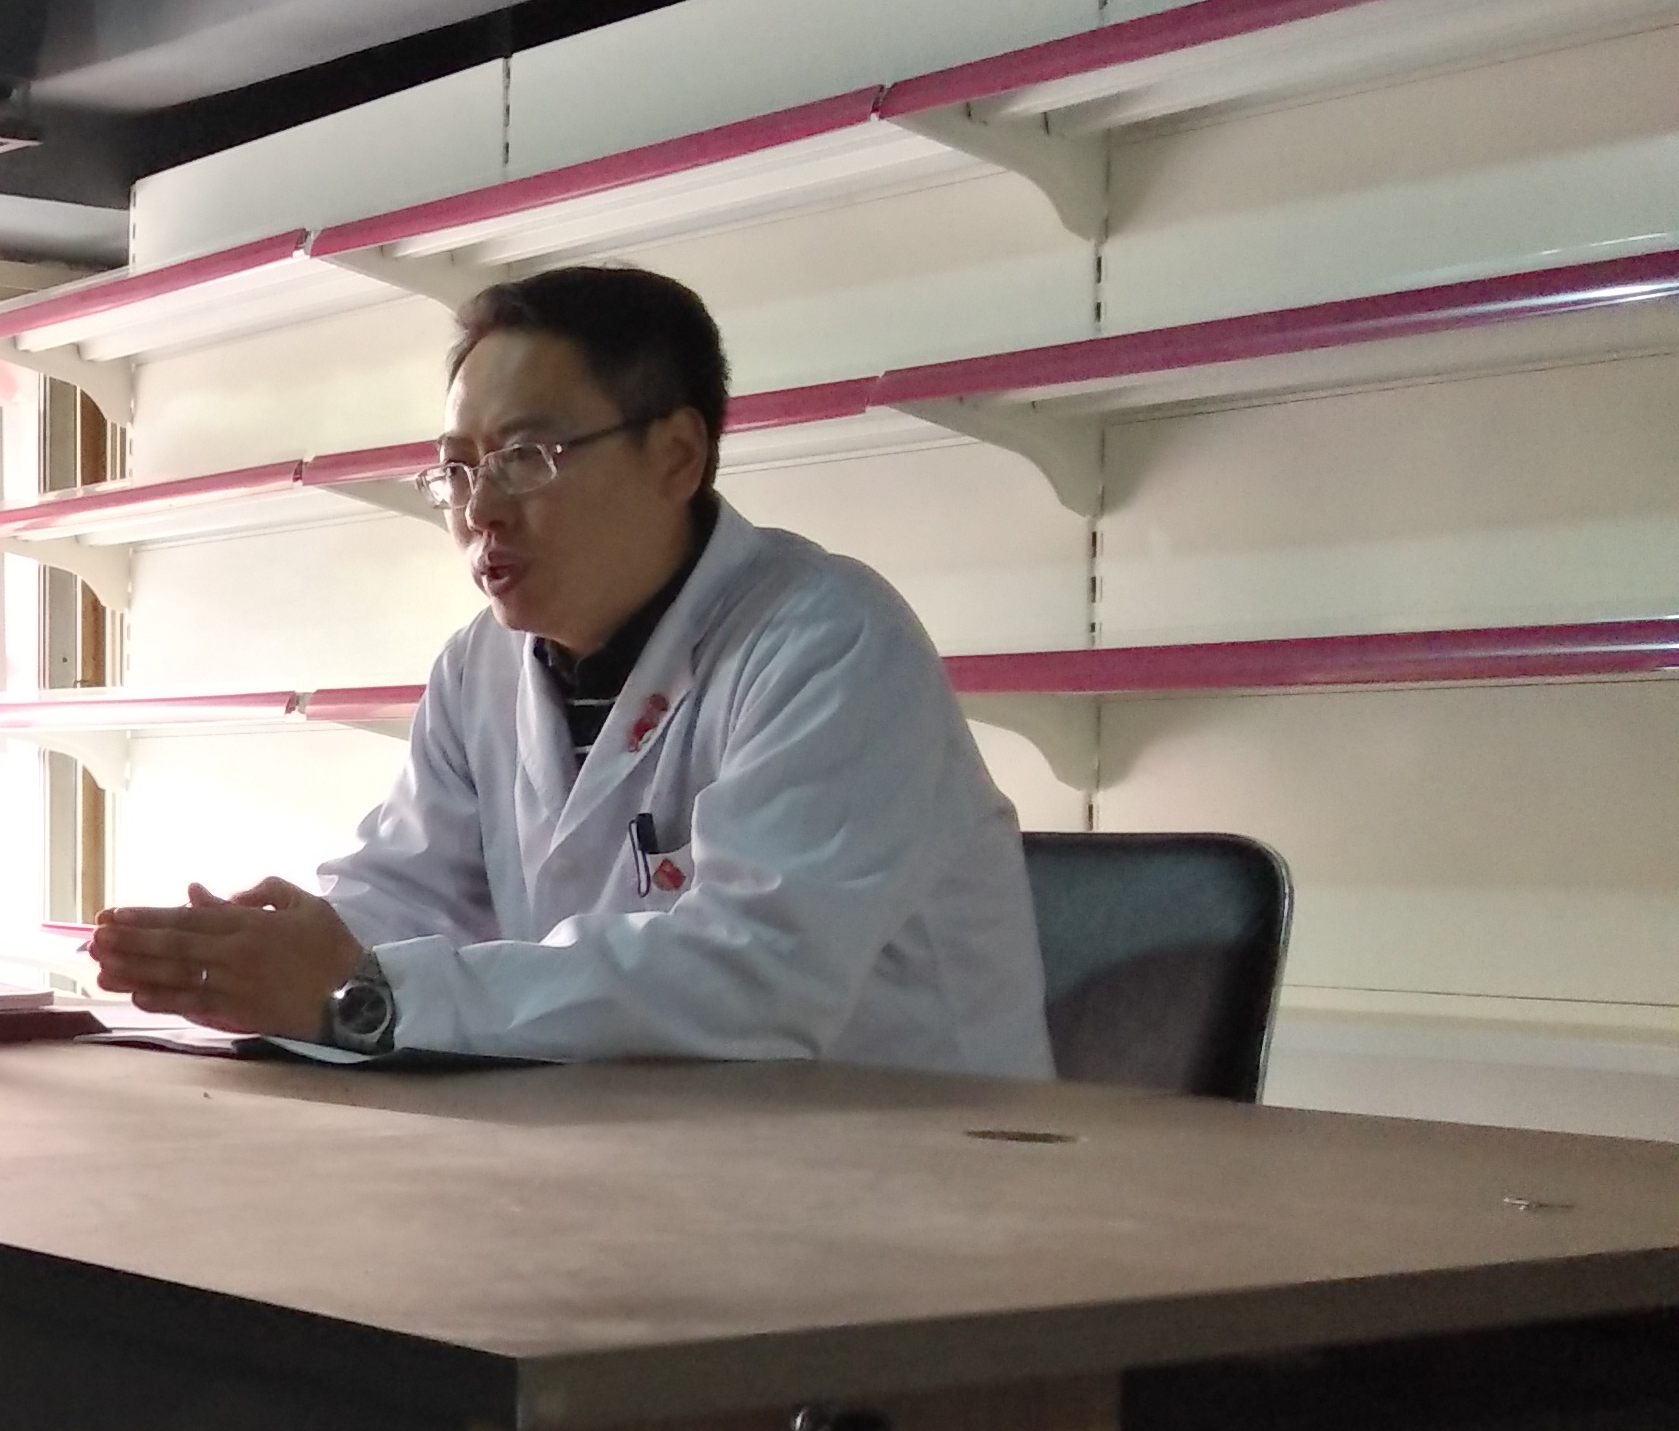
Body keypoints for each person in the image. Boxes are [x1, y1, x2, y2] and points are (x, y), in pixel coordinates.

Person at [94, 263, 1051, 1072]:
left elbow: (752, 980)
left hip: (923, 1171)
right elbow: (410, 898)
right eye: (457, 470)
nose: (481, 510)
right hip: (648, 1150)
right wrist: (274, 955)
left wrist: (366, 995)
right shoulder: (480, 669)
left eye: (523, 457)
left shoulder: (829, 642)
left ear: (676, 456)